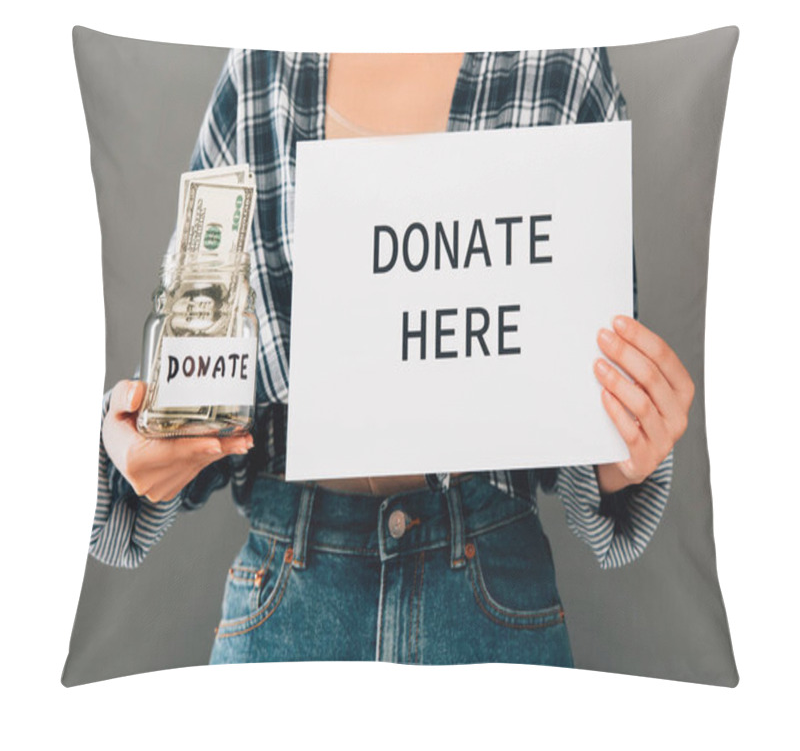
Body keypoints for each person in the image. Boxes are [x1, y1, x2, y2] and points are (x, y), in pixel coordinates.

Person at [93, 48, 694, 666]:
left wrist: (625, 447)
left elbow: (590, 393)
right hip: (289, 595)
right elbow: (195, 364)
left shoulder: (561, 64)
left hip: (492, 588)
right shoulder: (264, 66)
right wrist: (140, 436)